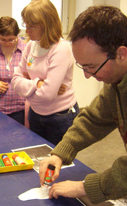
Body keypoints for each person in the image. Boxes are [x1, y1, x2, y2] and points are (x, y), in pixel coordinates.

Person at [39, 6, 127, 206]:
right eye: (83, 67)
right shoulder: (122, 73)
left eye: (91, 67)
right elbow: (94, 118)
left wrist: (84, 187)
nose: (88, 76)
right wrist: (60, 153)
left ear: (120, 53)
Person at [11, 0, 79, 145]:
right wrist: (38, 84)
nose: (27, 31)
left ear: (47, 25)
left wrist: (28, 87)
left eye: (32, 27)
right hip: (35, 114)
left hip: (60, 117)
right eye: (26, 25)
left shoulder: (61, 49)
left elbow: (47, 95)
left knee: (58, 163)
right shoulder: (30, 45)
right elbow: (15, 81)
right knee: (37, 159)